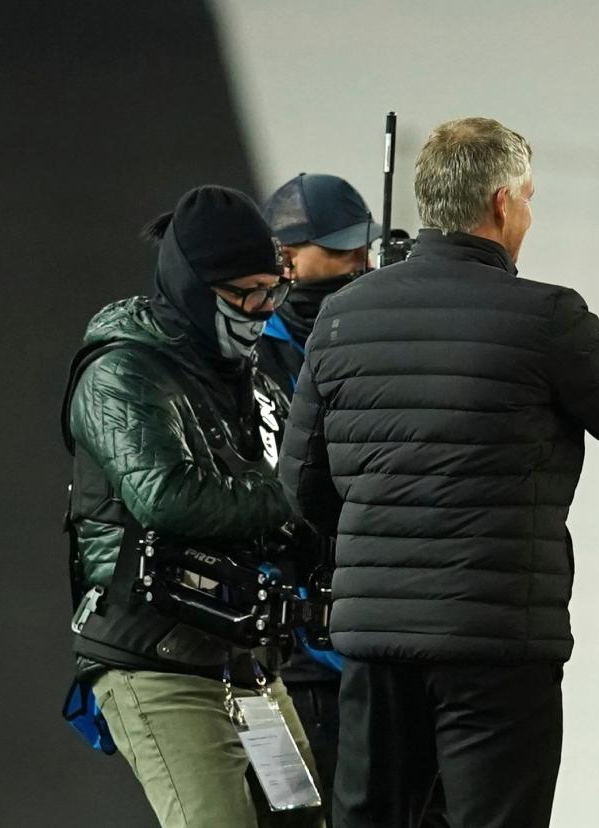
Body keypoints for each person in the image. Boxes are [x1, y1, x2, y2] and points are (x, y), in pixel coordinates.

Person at [277, 116, 599, 828]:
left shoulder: (342, 317)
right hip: (495, 647)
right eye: (528, 196)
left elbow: (301, 489)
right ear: (503, 202)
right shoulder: (546, 318)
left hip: (374, 649)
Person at [62, 185, 324, 827]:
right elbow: (167, 497)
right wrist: (293, 502)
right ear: (191, 285)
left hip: (247, 664)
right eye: (244, 294)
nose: (262, 310)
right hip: (157, 658)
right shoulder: (121, 373)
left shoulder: (249, 379)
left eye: (272, 290)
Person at [259, 172, 453, 828]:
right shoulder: (255, 358)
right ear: (286, 254)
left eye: (362, 248)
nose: (358, 263)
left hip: (400, 639)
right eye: (338, 250)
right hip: (312, 657)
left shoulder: (381, 334)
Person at [259, 173, 383, 393]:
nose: (366, 265)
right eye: (347, 252)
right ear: (286, 258)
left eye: (367, 250)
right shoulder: (251, 342)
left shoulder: (384, 325)